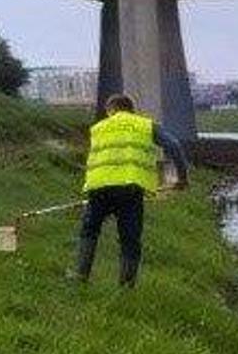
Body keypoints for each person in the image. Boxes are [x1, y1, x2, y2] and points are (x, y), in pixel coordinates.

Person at [77, 93, 191, 287]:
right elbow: (174, 145)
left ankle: (81, 276)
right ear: (131, 110)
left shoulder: (98, 128)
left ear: (110, 110)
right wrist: (182, 178)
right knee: (130, 238)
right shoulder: (144, 125)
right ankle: (126, 285)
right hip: (130, 189)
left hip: (99, 187)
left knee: (89, 230)